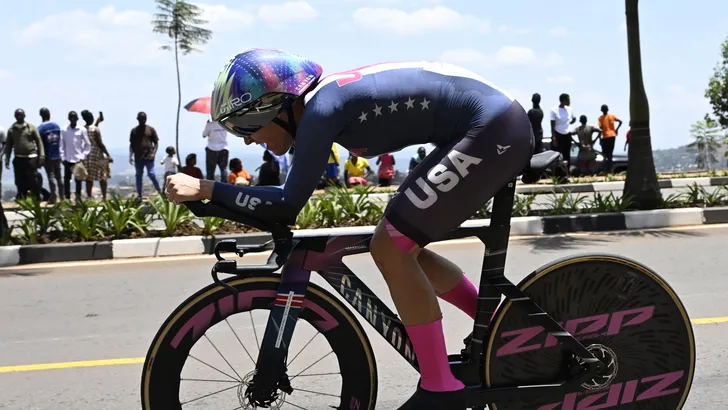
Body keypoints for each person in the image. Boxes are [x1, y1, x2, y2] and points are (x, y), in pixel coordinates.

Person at [165, 49, 533, 410]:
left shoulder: (321, 111)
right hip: (487, 122)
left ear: (275, 107)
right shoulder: (319, 107)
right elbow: (283, 202)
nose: (246, 139)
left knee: (391, 247)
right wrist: (214, 196)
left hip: (493, 127)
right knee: (399, 244)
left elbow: (287, 204)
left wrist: (208, 189)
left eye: (245, 126)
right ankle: (508, 329)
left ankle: (441, 387)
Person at [5, 109, 45, 200]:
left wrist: (41, 156)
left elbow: (39, 142)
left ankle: (38, 195)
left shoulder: (31, 127)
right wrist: (7, 159)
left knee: (33, 178)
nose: (19, 117)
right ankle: (21, 197)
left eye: (21, 115)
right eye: (17, 115)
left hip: (31, 157)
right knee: (19, 180)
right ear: (15, 116)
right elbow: (8, 146)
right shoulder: (11, 129)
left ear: (24, 116)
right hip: (18, 158)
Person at [81, 110, 113, 201]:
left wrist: (98, 121)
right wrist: (108, 155)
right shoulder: (95, 129)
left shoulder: (82, 129)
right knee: (102, 176)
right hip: (97, 154)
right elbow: (100, 143)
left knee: (89, 178)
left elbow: (90, 131)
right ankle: (104, 197)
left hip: (87, 156)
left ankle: (89, 197)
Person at [60, 111, 91, 201]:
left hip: (78, 159)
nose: (72, 119)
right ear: (68, 118)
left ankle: (78, 199)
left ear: (77, 118)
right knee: (67, 180)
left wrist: (83, 155)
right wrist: (63, 157)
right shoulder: (64, 130)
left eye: (74, 117)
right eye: (71, 117)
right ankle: (67, 198)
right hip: (67, 159)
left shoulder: (82, 129)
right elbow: (61, 145)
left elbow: (88, 144)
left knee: (78, 180)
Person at [129, 111, 162, 198]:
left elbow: (156, 143)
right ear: (138, 119)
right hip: (138, 157)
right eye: (140, 119)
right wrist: (130, 156)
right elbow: (132, 145)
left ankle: (160, 192)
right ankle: (139, 195)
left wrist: (154, 153)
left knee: (151, 174)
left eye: (143, 119)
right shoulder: (134, 131)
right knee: (138, 176)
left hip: (149, 157)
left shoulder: (151, 129)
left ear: (146, 119)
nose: (142, 120)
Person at [37, 108, 63, 203]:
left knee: (51, 176)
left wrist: (40, 158)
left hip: (48, 156)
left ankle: (54, 197)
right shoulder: (56, 126)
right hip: (57, 155)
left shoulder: (40, 128)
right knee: (59, 177)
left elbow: (39, 144)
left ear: (41, 115)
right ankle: (62, 197)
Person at [550, 93, 576, 173]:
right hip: (558, 134)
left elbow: (574, 118)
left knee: (567, 155)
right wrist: (553, 137)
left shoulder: (569, 109)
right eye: (568, 100)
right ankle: (556, 173)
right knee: (556, 155)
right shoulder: (554, 110)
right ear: (563, 100)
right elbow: (552, 124)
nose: (570, 101)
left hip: (567, 134)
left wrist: (568, 123)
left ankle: (567, 173)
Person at [597, 104, 623, 174]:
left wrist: (599, 138)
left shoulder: (600, 118)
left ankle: (606, 170)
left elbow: (601, 128)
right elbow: (620, 122)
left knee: (605, 155)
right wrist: (616, 129)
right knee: (610, 154)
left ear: (601, 110)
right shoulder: (612, 116)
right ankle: (610, 170)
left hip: (605, 137)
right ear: (607, 109)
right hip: (612, 136)